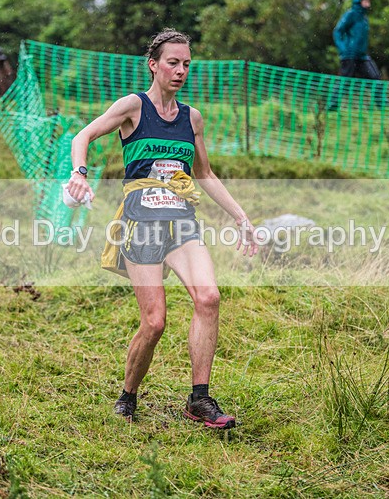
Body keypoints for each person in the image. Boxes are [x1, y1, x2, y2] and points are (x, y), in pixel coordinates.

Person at [66, 29, 258, 429]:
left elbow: (204, 173)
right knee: (154, 322)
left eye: (187, 63)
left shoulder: (192, 118)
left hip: (181, 223)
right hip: (141, 226)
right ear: (153, 64)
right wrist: (79, 173)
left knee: (209, 297)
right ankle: (128, 395)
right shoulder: (133, 107)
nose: (181, 70)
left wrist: (241, 217)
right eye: (173, 62)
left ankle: (199, 400)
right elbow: (83, 135)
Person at [328, 0, 383, 111]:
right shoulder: (351, 14)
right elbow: (337, 31)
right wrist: (343, 49)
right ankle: (332, 106)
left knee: (375, 77)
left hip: (362, 55)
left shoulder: (364, 18)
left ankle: (383, 105)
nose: (368, 2)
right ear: (359, 1)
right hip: (349, 54)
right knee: (344, 81)